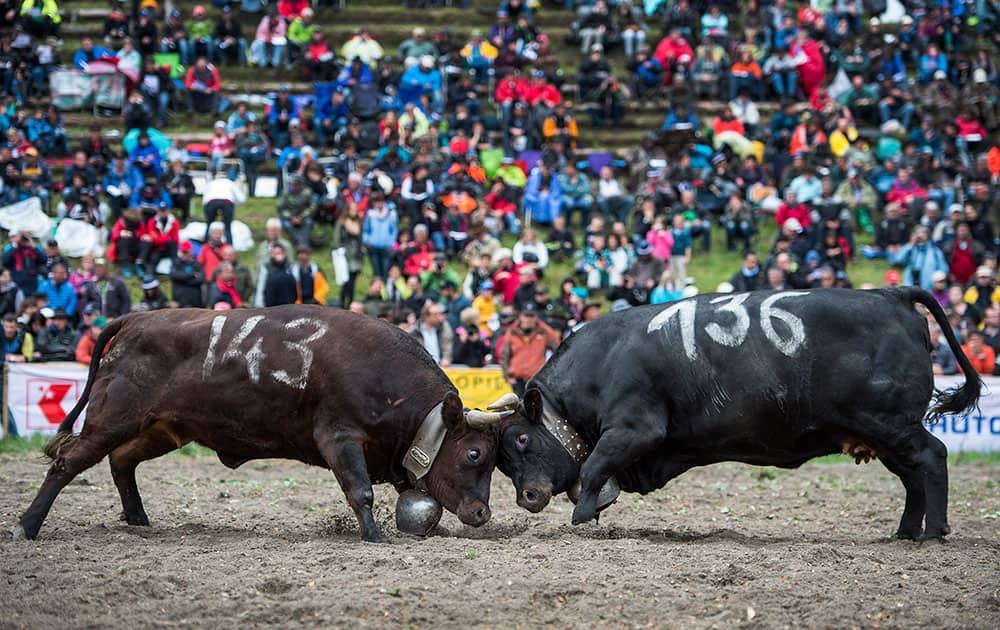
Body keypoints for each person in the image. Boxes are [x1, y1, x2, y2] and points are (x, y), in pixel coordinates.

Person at [500, 302, 559, 395]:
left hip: (537, 380)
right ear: (520, 316)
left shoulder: (544, 331)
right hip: (517, 380)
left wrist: (551, 374)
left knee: (536, 408)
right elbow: (504, 356)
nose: (528, 319)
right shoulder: (512, 331)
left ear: (536, 317)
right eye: (526, 316)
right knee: (518, 407)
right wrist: (508, 377)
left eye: (531, 316)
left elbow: (559, 350)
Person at [202, 172, 245, 246]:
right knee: (227, 227)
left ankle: (205, 247)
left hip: (211, 202)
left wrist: (207, 213)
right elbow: (241, 199)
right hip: (227, 203)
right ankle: (229, 247)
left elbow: (204, 199)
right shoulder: (230, 183)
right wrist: (234, 203)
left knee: (209, 226)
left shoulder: (212, 183)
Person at [278, 176, 316, 249]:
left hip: (303, 217)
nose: (292, 186)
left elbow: (312, 207)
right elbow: (281, 208)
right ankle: (300, 243)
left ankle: (302, 243)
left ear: (300, 185)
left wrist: (301, 217)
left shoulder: (307, 192)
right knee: (287, 225)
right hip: (289, 218)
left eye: (295, 184)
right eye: (291, 184)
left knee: (308, 223)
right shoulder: (286, 193)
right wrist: (291, 217)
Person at [139, 205, 180, 275]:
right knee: (153, 260)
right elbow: (152, 237)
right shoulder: (152, 221)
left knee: (171, 244)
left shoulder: (174, 222)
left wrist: (158, 238)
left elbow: (175, 240)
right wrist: (167, 238)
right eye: (161, 211)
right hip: (158, 248)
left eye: (164, 211)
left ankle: (176, 271)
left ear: (168, 211)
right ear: (158, 211)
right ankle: (148, 276)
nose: (163, 213)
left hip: (170, 249)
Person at [410, 302, 454, 367]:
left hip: (441, 366)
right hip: (422, 367)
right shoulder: (414, 331)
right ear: (426, 316)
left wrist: (446, 359)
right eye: (435, 314)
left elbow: (447, 345)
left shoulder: (444, 327)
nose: (439, 317)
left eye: (439, 314)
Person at [170, 241, 205, 308]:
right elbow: (174, 275)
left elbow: (200, 279)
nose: (184, 254)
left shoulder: (196, 264)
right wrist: (192, 275)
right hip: (179, 301)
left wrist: (183, 280)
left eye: (186, 252)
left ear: (191, 251)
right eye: (183, 252)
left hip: (195, 301)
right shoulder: (176, 263)